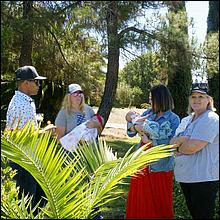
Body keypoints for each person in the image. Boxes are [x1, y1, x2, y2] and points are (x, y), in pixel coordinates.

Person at [125, 84, 180, 219]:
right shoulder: (147, 113)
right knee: (140, 198)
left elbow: (171, 143)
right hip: (142, 161)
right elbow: (130, 131)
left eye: (152, 99)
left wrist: (150, 141)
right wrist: (136, 127)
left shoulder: (173, 119)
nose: (150, 101)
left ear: (160, 99)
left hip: (160, 164)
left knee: (159, 200)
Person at [6, 65, 55, 207]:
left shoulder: (26, 101)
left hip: (30, 158)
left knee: (40, 199)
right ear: (25, 83)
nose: (39, 85)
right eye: (36, 82)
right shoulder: (19, 104)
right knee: (26, 204)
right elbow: (17, 135)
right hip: (22, 161)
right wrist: (44, 132)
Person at [170, 85, 219, 219]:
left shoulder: (210, 118)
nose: (196, 100)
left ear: (208, 99)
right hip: (188, 177)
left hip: (203, 179)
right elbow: (171, 142)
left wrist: (180, 146)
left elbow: (192, 146)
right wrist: (181, 141)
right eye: (193, 97)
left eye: (201, 97)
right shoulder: (188, 119)